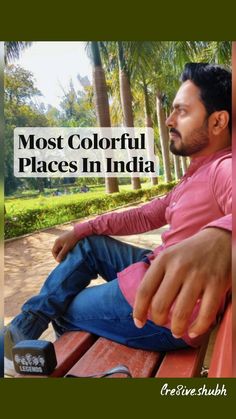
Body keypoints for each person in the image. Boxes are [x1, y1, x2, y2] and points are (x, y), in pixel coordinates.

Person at [3, 63, 231, 376]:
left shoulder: (224, 169)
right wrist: (82, 228)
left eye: (182, 111)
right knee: (90, 246)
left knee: (62, 307)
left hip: (166, 311)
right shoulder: (198, 172)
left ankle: (89, 371)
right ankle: (17, 333)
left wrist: (224, 235)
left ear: (218, 121)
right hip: (157, 273)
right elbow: (146, 214)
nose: (169, 120)